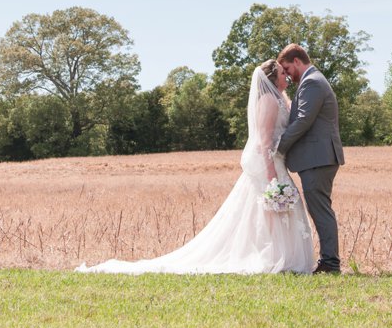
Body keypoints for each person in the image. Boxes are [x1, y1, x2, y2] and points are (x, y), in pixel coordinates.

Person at [77, 60, 314, 274]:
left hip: (277, 163)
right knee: (269, 209)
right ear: (272, 78)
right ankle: (272, 255)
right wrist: (272, 176)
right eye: (282, 73)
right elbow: (264, 141)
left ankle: (278, 255)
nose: (286, 76)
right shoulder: (269, 100)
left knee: (273, 209)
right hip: (269, 165)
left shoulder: (279, 99)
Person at [275, 43, 345, 274]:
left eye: (287, 68)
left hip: (319, 158)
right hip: (318, 157)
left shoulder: (312, 82)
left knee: (320, 210)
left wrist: (279, 147)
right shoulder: (312, 81)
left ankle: (330, 263)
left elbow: (304, 119)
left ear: (297, 61)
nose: (287, 74)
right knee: (319, 209)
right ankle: (329, 261)